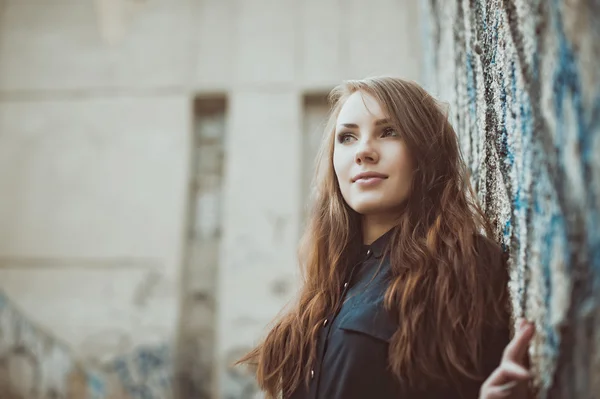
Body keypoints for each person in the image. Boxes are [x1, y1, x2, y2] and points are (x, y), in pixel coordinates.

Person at [237, 76, 535, 398]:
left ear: (425, 151)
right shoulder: (328, 282)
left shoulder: (464, 263)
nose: (363, 151)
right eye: (347, 137)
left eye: (388, 132)